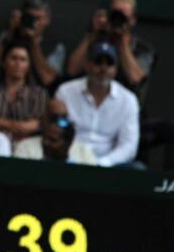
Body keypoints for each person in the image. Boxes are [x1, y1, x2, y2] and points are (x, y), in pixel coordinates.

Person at [65, 0, 174, 171]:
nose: (117, 20)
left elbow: (136, 78)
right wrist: (92, 34)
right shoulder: (96, 41)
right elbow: (71, 70)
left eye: (123, 17)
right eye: (114, 14)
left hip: (129, 119)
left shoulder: (143, 48)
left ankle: (172, 188)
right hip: (91, 115)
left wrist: (121, 42)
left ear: (133, 21)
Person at [54, 40, 140, 168]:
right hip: (69, 159)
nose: (103, 69)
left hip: (109, 164)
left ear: (116, 69)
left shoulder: (128, 100)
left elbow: (129, 146)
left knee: (137, 169)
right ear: (87, 65)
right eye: (98, 62)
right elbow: (57, 127)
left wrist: (102, 163)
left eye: (109, 64)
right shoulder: (65, 91)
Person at [0, 0, 67, 89]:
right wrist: (9, 33)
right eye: (30, 17)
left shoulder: (56, 46)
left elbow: (48, 79)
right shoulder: (8, 36)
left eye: (38, 18)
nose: (34, 22)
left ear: (47, 20)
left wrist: (34, 41)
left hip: (38, 94)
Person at [0, 42, 48, 143]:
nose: (18, 63)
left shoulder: (38, 93)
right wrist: (13, 126)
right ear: (4, 63)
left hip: (24, 143)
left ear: (28, 65)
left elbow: (36, 124)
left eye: (23, 60)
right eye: (14, 58)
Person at [13, 98, 98, 164]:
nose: (46, 143)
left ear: (68, 143)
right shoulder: (25, 147)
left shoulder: (84, 153)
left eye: (64, 117)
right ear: (43, 119)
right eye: (53, 117)